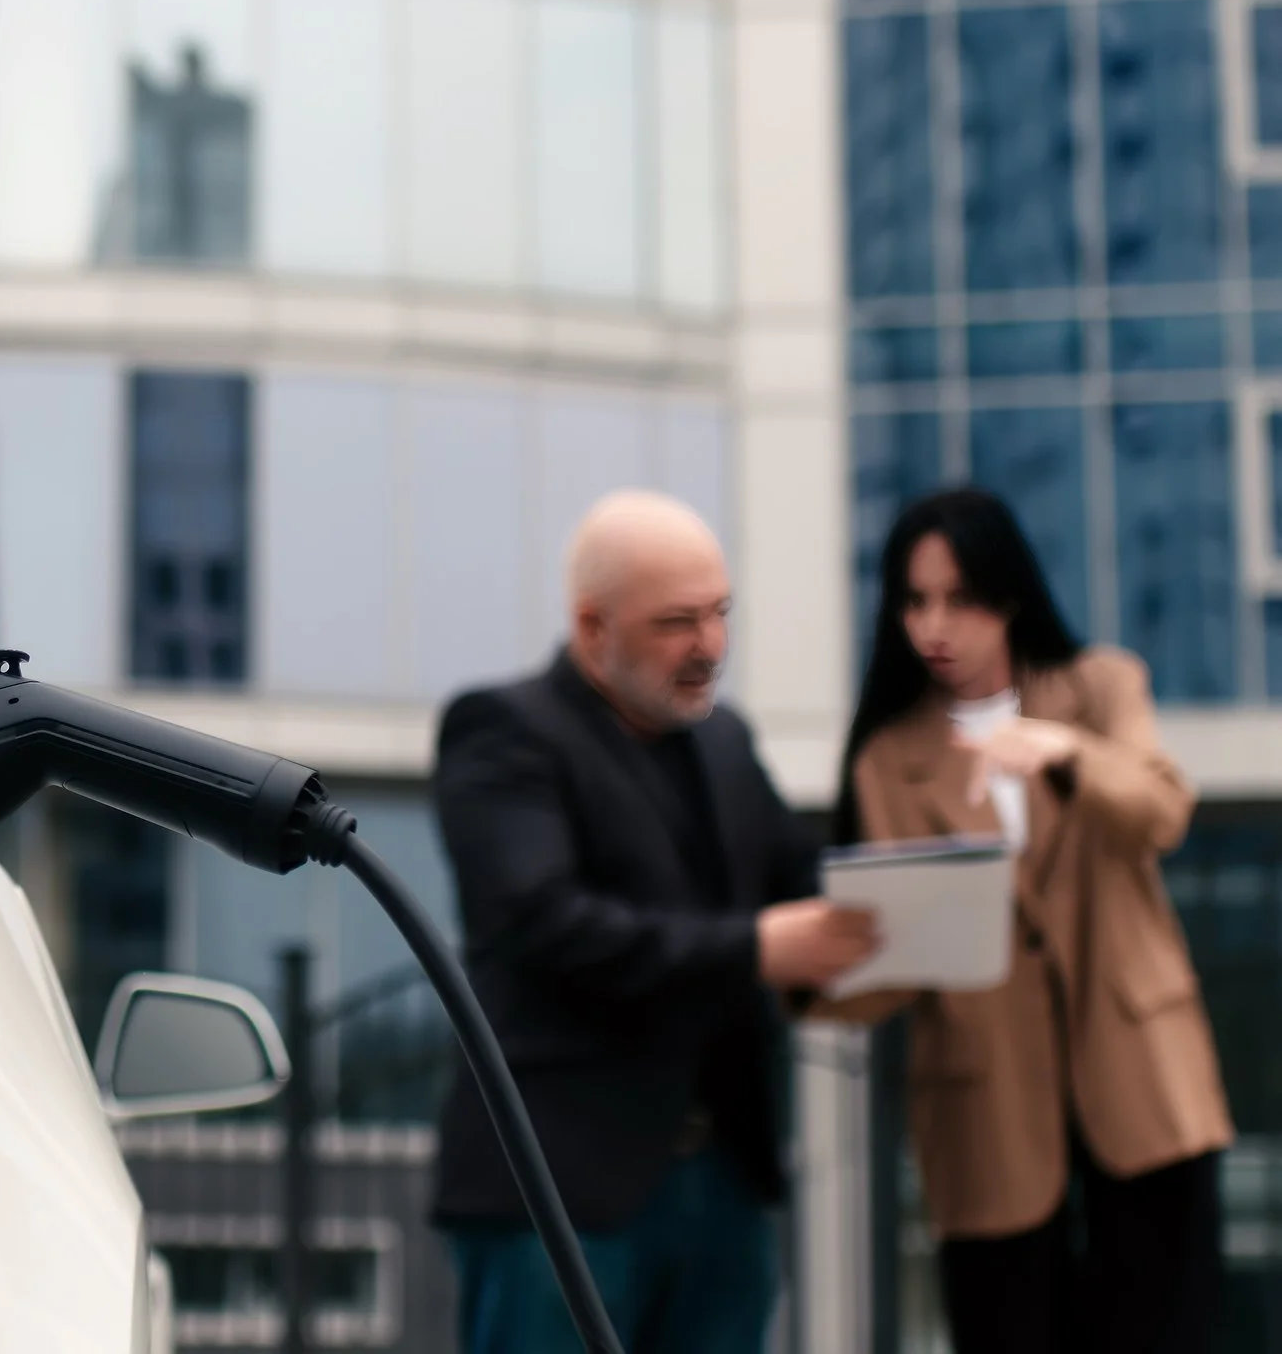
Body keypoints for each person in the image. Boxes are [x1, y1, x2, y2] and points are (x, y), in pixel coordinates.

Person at [431, 489, 881, 1354]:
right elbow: (541, 921)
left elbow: (801, 879)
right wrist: (758, 947)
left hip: (725, 1184)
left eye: (720, 614)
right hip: (559, 1193)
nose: (711, 646)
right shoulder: (503, 731)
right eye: (677, 622)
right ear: (592, 628)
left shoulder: (724, 740)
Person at [818, 487, 1231, 1354]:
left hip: (1139, 1080)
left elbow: (1162, 813)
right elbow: (891, 948)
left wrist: (1066, 750)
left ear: (1007, 594)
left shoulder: (1101, 686)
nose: (935, 625)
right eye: (915, 599)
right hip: (986, 1102)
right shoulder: (888, 754)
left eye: (959, 598)